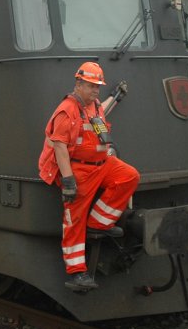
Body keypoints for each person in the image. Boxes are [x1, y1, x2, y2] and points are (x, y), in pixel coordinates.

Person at [38, 62, 140, 291]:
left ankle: (98, 224)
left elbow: (100, 112)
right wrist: (68, 180)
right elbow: (59, 146)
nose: (96, 90)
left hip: (102, 164)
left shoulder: (93, 105)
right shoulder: (67, 110)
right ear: (79, 84)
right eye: (91, 86)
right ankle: (76, 273)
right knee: (74, 218)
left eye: (98, 86)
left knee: (129, 176)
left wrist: (115, 97)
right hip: (79, 169)